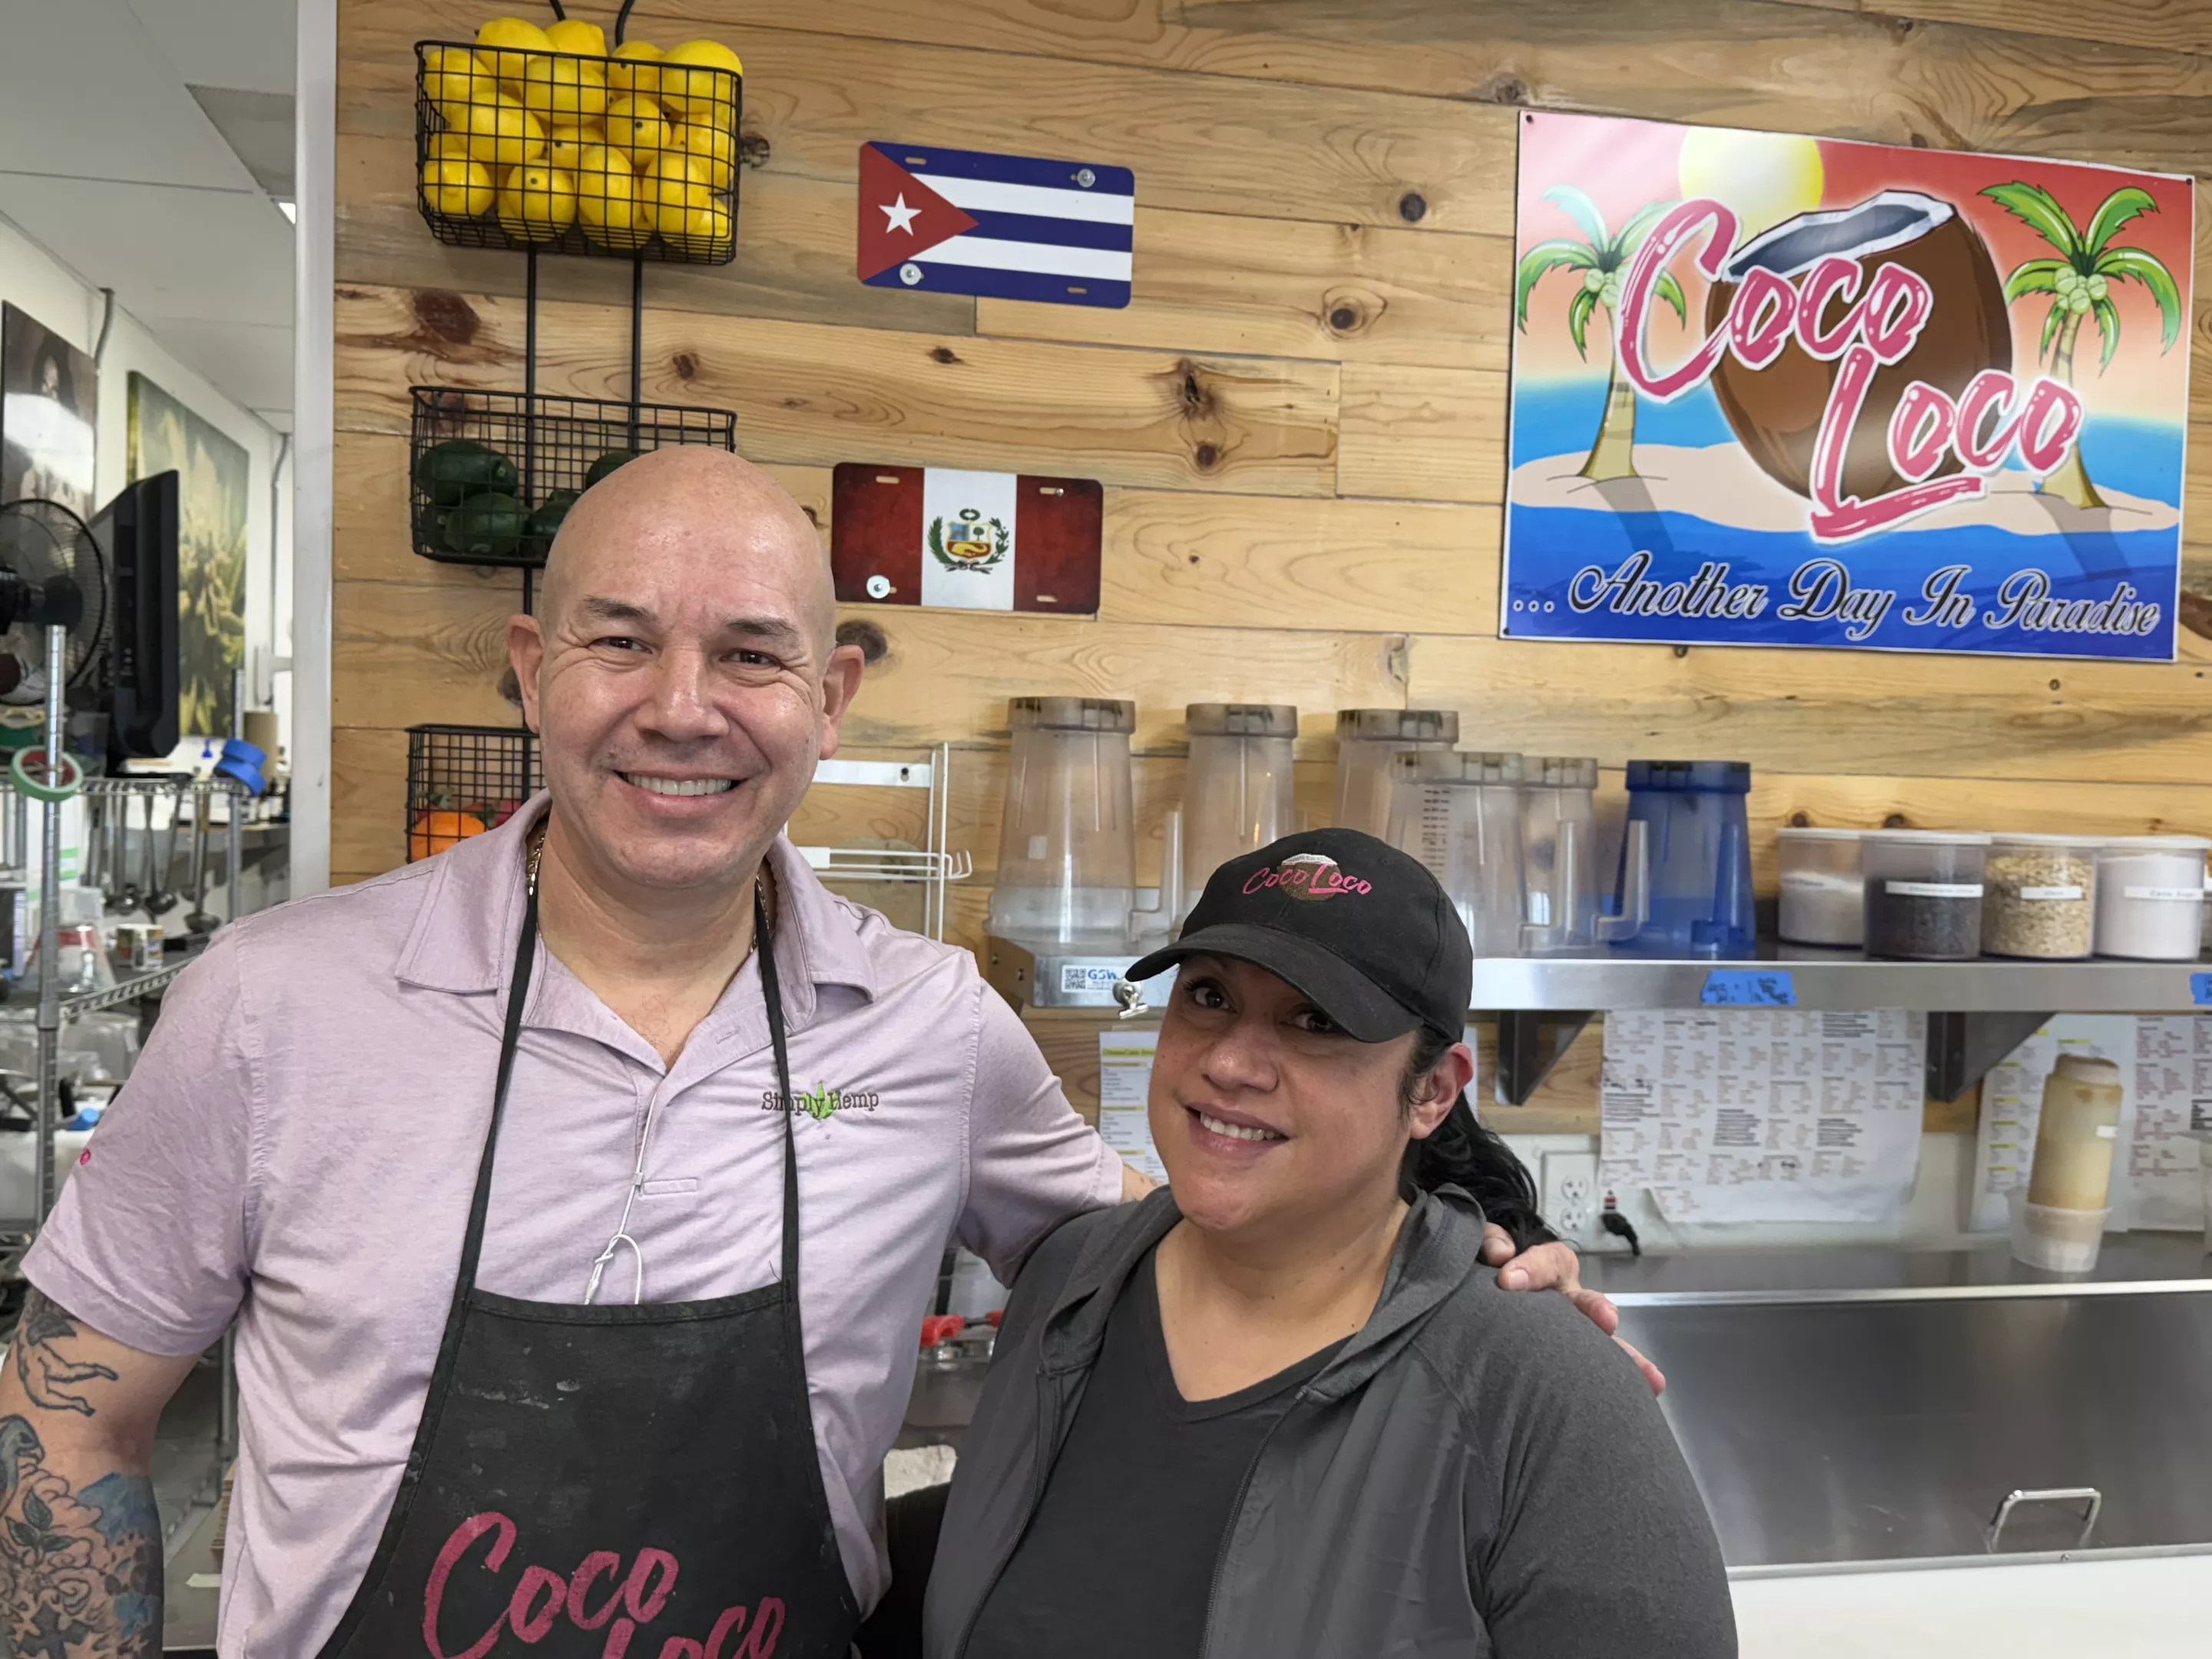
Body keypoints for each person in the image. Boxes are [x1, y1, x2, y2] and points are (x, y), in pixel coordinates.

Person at [0, 449, 1625, 1658]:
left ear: (832, 698)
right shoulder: (277, 1006)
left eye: (754, 655)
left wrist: (1466, 1260)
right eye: (619, 641)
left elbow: (1177, 1246)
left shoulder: (928, 1026)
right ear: (527, 669)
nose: (683, 708)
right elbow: (68, 1417)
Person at [925, 830, 1736, 1659]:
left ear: (1430, 1091)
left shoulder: (1538, 1389)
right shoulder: (1072, 1280)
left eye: (1315, 1020)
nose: (1234, 1063)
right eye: (1209, 997)